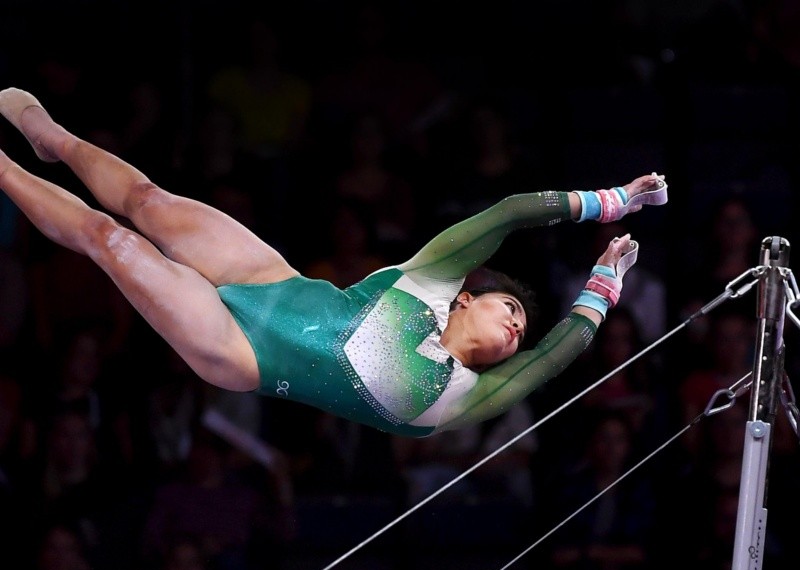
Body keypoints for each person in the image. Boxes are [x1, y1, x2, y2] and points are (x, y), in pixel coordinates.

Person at [0, 87, 667, 439]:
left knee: (112, 241)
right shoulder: (433, 279)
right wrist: (609, 203)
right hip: (272, 280)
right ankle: (52, 138)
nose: (520, 328)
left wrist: (603, 287)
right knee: (147, 200)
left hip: (237, 349)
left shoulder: (466, 399)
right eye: (512, 307)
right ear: (468, 297)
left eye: (521, 327)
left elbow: (555, 356)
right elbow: (510, 213)